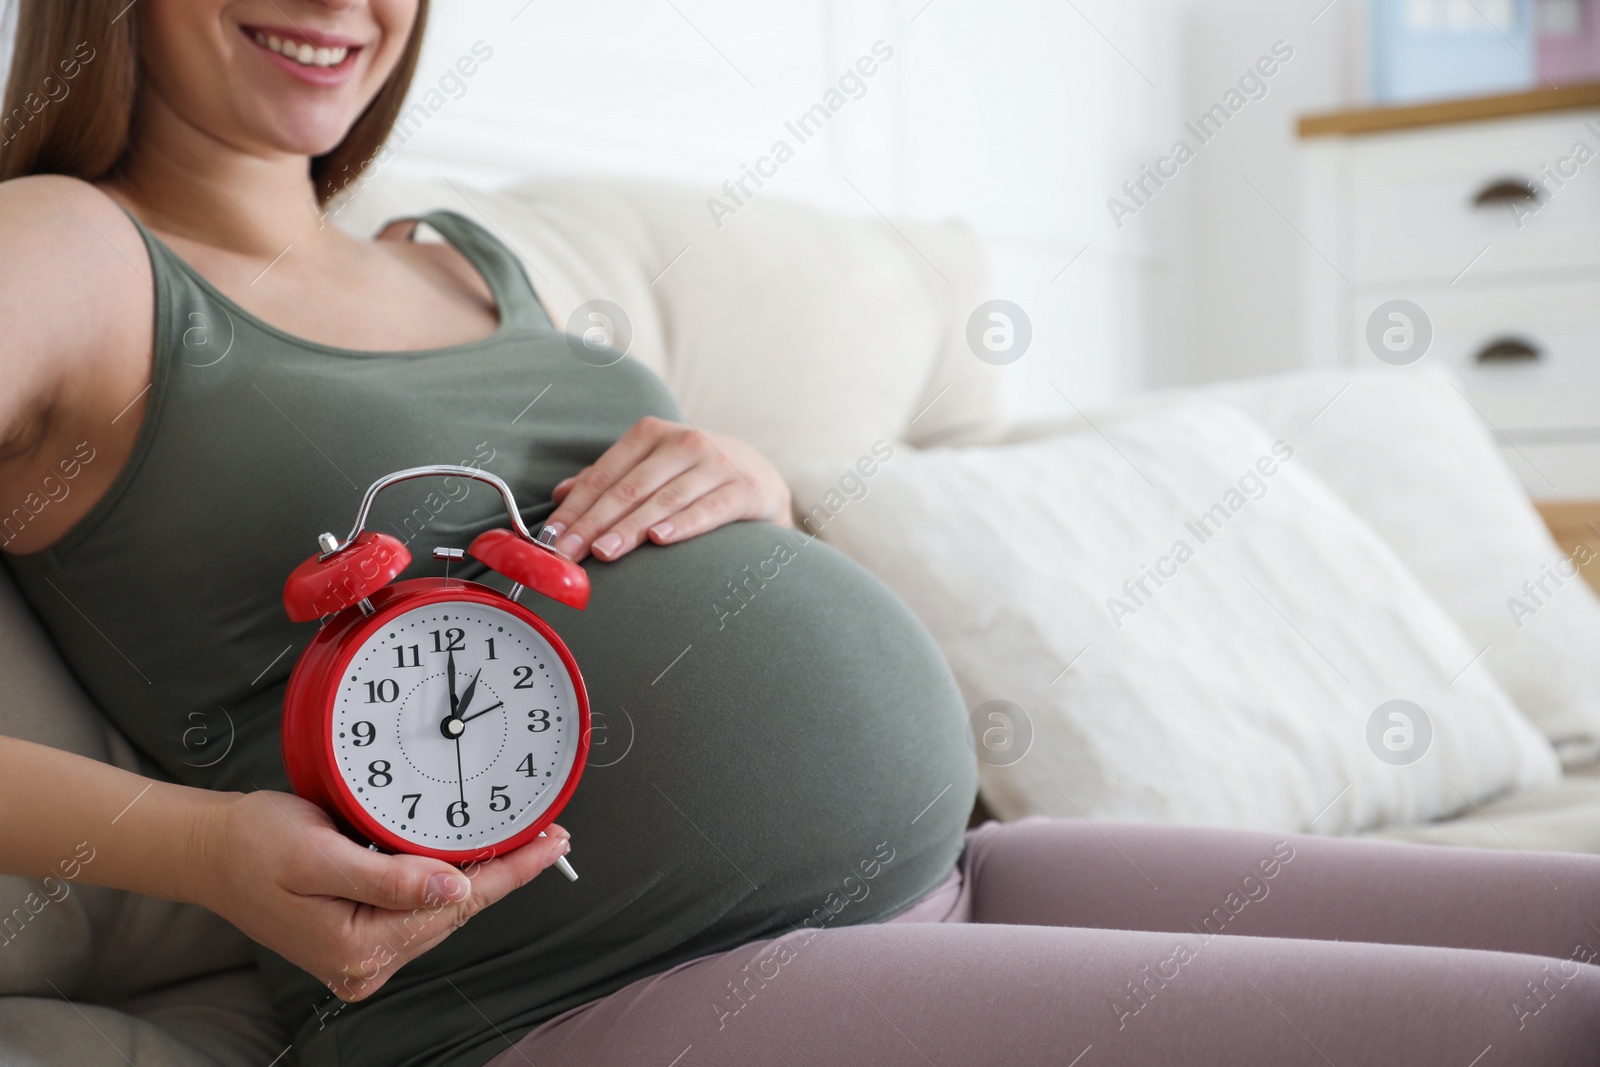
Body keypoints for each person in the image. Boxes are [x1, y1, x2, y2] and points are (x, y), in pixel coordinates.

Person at [0, 3, 1595, 1065]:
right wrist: (204, 852)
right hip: (583, 993)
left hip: (951, 870)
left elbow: (606, 547)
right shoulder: (69, 250)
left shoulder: (467, 259)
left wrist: (742, 487)